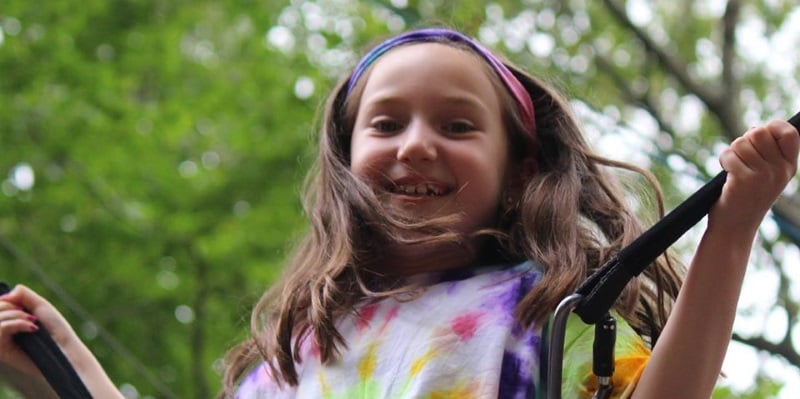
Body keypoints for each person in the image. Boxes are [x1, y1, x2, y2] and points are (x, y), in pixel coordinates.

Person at [1, 27, 798, 399]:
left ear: (519, 170)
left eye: (457, 125)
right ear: (348, 161)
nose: (417, 145)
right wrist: (66, 372)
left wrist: (730, 228)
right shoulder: (293, 358)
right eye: (387, 124)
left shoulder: (544, 317)